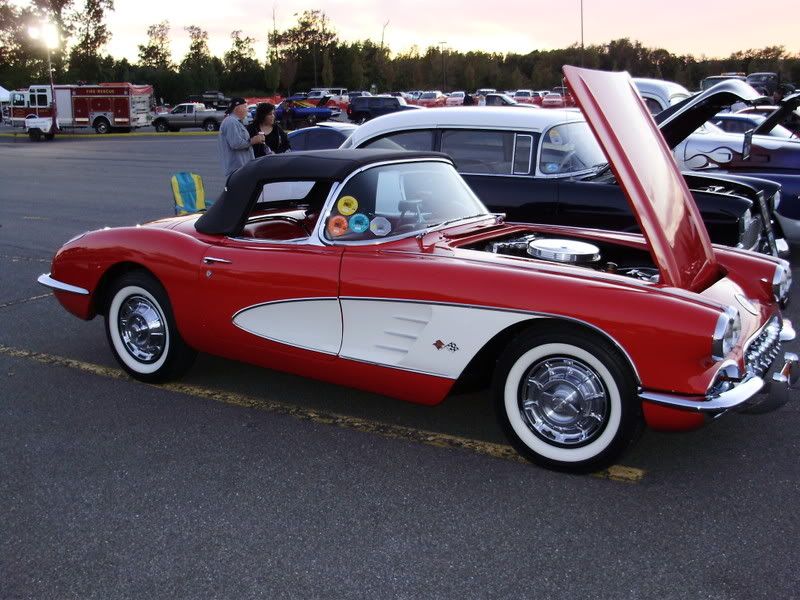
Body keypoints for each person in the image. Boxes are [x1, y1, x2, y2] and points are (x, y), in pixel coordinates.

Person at [218, 97, 264, 177]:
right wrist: (253, 140)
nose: (247, 110)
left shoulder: (235, 122)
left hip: (241, 169)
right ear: (237, 108)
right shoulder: (231, 122)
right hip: (237, 170)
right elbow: (236, 144)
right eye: (245, 107)